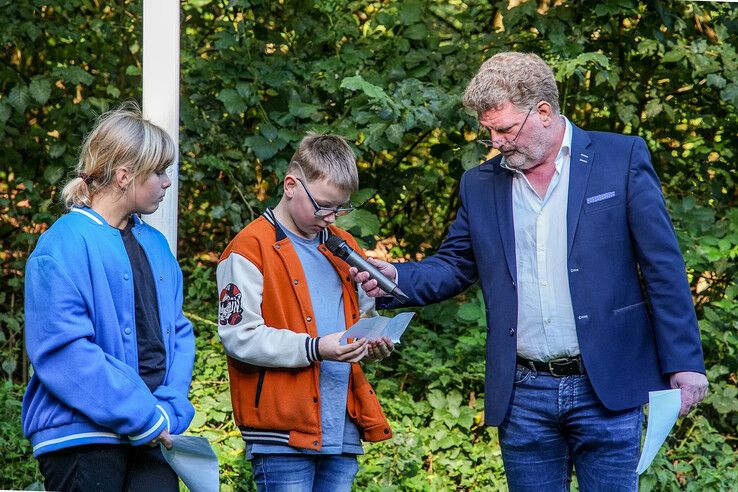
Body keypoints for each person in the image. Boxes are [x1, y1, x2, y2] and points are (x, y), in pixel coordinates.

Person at [354, 52, 708, 491]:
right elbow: (453, 265)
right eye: (488, 133)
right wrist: (394, 278)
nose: (497, 142)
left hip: (609, 384)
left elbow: (663, 267)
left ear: (544, 112)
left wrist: (685, 362)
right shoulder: (480, 184)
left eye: (505, 129)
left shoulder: (620, 158)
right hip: (524, 394)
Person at [22, 102, 195, 491]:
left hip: (154, 436)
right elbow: (63, 351)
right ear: (123, 176)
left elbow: (178, 333)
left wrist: (168, 409)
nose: (167, 182)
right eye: (159, 172)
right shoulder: (62, 245)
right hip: (83, 439)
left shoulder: (156, 245)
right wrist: (140, 414)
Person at [217, 133, 394, 492]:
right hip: (281, 432)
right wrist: (315, 347)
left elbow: (357, 323)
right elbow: (239, 336)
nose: (330, 218)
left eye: (340, 209)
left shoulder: (342, 245)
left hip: (341, 427)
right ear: (291, 185)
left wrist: (370, 344)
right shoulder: (250, 248)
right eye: (324, 206)